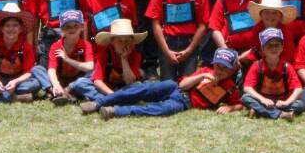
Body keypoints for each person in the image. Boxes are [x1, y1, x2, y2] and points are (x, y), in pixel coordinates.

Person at [83, 48, 244, 119]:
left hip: (184, 103)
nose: (220, 70)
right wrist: (202, 78)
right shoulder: (205, 71)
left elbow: (240, 104)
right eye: (218, 66)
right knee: (143, 89)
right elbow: (183, 85)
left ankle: (115, 111)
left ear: (232, 69)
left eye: (225, 68)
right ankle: (99, 102)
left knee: (159, 110)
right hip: (174, 87)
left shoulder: (229, 87)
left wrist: (230, 108)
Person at [0, 3, 45, 103]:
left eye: (15, 25)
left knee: (35, 83)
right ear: (1, 28)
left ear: (21, 28)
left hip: (18, 81)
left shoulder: (25, 46)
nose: (11, 29)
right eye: (7, 25)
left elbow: (29, 72)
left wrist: (16, 82)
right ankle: (15, 97)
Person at [241, 28, 304, 120]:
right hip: (263, 100)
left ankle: (259, 110)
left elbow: (298, 89)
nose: (274, 48)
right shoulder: (257, 65)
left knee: (300, 105)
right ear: (262, 48)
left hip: (282, 102)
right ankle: (280, 114)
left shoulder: (287, 66)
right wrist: (262, 99)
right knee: (245, 98)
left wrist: (286, 102)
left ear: (282, 47)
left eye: (277, 45)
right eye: (269, 46)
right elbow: (247, 88)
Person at [79, 18, 146, 103]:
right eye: (120, 41)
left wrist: (124, 59)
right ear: (112, 42)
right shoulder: (104, 54)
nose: (124, 44)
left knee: (138, 85)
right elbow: (97, 81)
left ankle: (101, 99)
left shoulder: (136, 55)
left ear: (132, 41)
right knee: (81, 83)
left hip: (125, 87)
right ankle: (117, 99)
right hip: (107, 88)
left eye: (127, 40)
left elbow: (130, 81)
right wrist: (114, 95)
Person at [47, 9, 94, 106]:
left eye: (75, 26)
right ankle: (58, 90)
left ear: (81, 27)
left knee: (92, 74)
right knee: (38, 70)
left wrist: (67, 59)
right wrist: (56, 84)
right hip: (61, 81)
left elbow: (90, 67)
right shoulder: (56, 46)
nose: (72, 29)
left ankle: (64, 92)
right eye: (67, 27)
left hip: (79, 81)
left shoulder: (86, 45)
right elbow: (51, 69)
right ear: (62, 29)